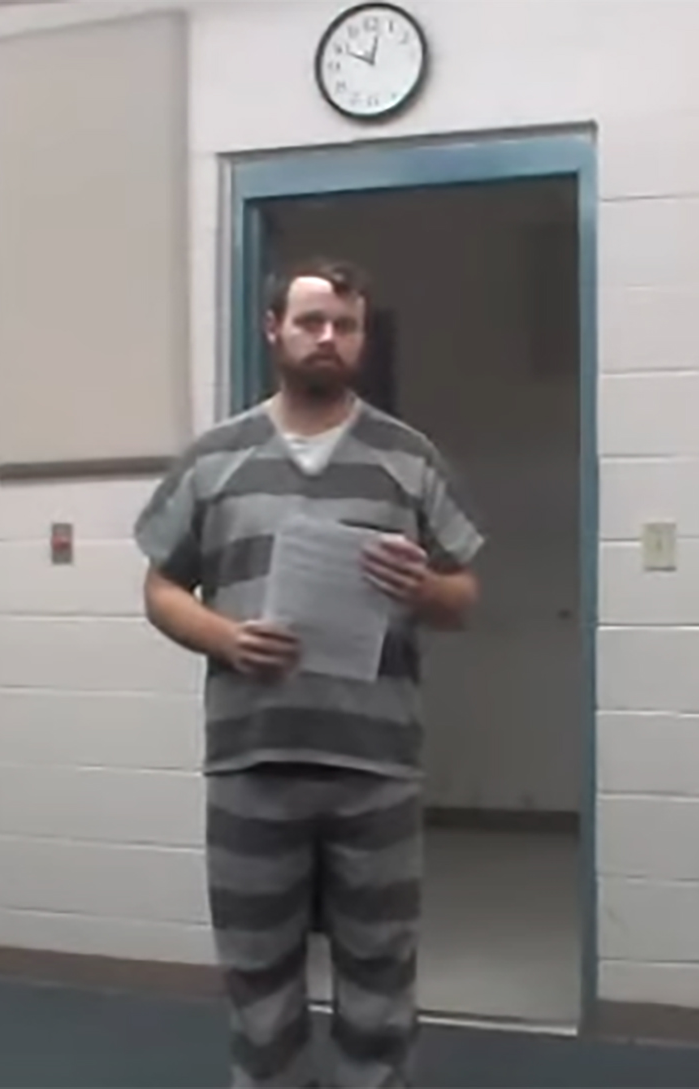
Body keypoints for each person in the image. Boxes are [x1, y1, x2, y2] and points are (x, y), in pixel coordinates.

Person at [133, 257, 484, 1088]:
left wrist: (424, 587)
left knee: (380, 977)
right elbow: (158, 587)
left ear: (363, 336)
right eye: (311, 322)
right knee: (257, 975)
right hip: (253, 760)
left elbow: (463, 597)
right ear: (273, 329)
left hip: (376, 767)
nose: (329, 338)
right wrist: (224, 636)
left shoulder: (409, 459)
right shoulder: (214, 458)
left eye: (347, 325)